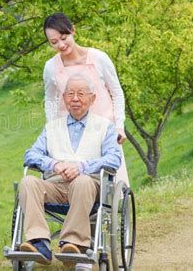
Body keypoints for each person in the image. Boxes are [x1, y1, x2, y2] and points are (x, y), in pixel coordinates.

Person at [19, 75, 122, 268]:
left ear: (92, 99)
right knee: (28, 182)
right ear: (64, 98)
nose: (75, 99)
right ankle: (39, 242)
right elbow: (30, 155)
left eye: (81, 94)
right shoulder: (51, 128)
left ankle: (73, 243)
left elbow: (114, 159)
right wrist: (54, 165)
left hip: (90, 186)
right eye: (70, 94)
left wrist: (81, 167)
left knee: (81, 182)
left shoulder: (104, 127)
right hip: (56, 186)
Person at [42, 12, 129, 186]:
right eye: (54, 42)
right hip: (70, 134)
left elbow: (117, 92)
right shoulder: (51, 67)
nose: (61, 44)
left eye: (63, 37)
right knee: (69, 184)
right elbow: (50, 100)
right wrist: (52, 128)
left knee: (105, 185)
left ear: (73, 30)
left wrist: (119, 126)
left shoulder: (99, 58)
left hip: (102, 129)